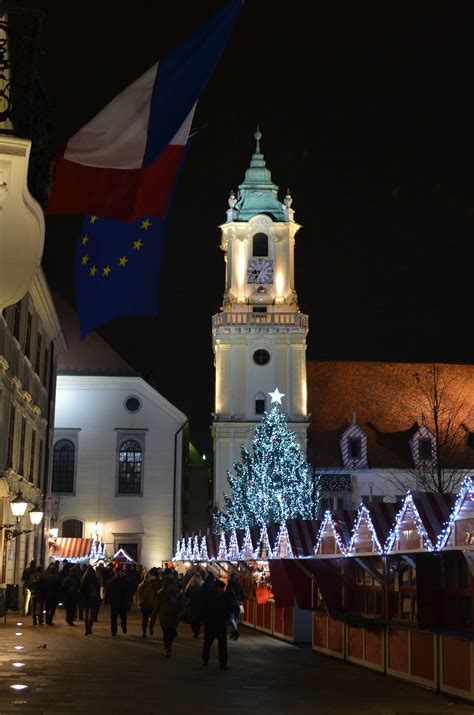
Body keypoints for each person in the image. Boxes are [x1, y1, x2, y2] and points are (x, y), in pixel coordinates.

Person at [201, 579, 232, 670]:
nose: (222, 590)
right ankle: (205, 659)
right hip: (211, 622)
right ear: (217, 588)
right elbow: (204, 608)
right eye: (221, 588)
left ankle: (222, 663)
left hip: (220, 623)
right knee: (208, 643)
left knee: (221, 644)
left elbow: (228, 608)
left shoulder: (222, 596)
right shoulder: (210, 596)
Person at [151, 574, 184, 658]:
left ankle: (168, 647)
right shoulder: (164, 593)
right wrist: (152, 621)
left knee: (170, 633)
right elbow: (156, 607)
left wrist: (180, 612)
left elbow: (181, 604)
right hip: (165, 616)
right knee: (167, 633)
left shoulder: (175, 593)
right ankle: (168, 648)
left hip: (171, 616)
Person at [104, 569, 130, 636]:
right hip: (116, 602)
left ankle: (122, 627)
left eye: (118, 573)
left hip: (120, 602)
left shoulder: (123, 581)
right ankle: (114, 630)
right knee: (115, 617)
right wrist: (106, 600)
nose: (118, 574)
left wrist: (106, 600)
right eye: (117, 573)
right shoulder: (113, 581)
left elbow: (128, 592)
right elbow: (107, 592)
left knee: (121, 616)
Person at [80, 566, 101, 635]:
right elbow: (98, 590)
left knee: (86, 615)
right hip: (94, 598)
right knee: (92, 615)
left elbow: (81, 590)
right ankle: (89, 629)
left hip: (86, 598)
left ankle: (86, 629)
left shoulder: (84, 579)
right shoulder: (95, 579)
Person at [137, 572, 158, 637]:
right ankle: (144, 632)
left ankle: (151, 627)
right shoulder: (141, 585)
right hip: (145, 605)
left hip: (152, 604)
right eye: (146, 577)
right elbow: (139, 594)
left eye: (148, 577)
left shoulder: (154, 585)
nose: (147, 578)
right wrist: (142, 601)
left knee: (152, 619)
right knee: (145, 619)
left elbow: (157, 593)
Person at [226, 572, 244, 640]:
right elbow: (243, 595)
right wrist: (240, 600)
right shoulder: (239, 584)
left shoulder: (230, 585)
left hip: (231, 604)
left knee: (231, 619)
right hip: (238, 604)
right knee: (235, 619)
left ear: (231, 577)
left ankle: (236, 632)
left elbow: (226, 595)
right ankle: (233, 633)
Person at [185, 572, 203, 638]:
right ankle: (197, 631)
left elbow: (186, 594)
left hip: (192, 603)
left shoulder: (190, 585)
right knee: (198, 618)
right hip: (200, 604)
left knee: (192, 618)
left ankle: (194, 631)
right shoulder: (202, 584)